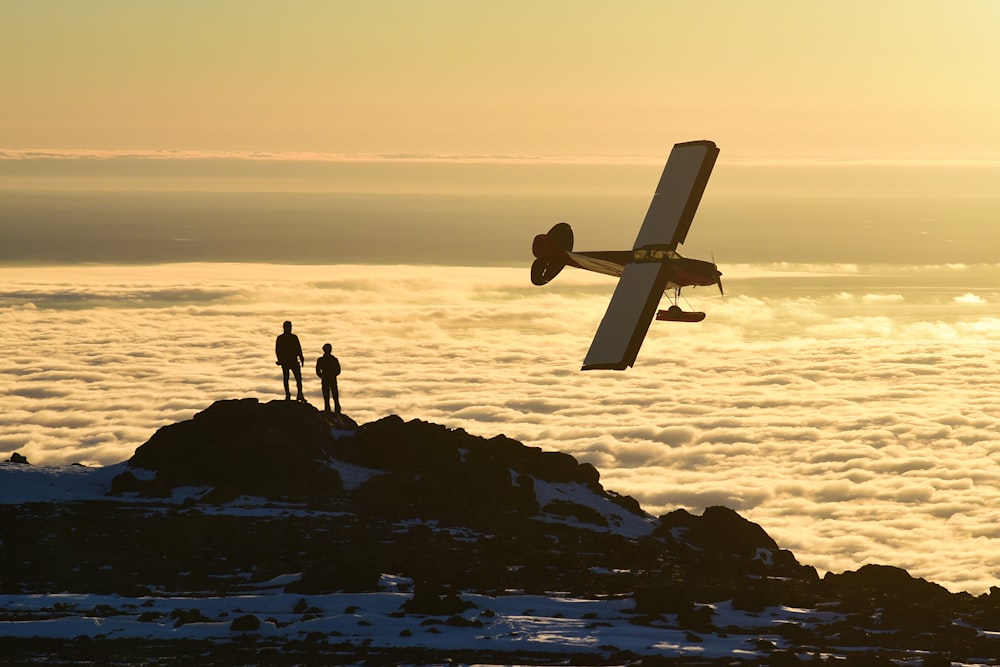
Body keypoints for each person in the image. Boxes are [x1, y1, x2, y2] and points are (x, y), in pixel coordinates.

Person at [275, 321, 305, 401]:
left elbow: (298, 348)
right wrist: (280, 360)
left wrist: (301, 357)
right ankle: (288, 394)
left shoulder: (293, 337)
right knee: (286, 378)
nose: (289, 328)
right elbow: (278, 350)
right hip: (286, 362)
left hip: (293, 361)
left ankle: (299, 394)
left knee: (298, 378)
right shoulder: (281, 338)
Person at [315, 343, 342, 413]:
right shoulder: (328, 359)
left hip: (329, 379)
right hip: (328, 379)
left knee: (333, 395)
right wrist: (324, 376)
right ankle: (329, 408)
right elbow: (318, 371)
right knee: (328, 395)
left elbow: (338, 370)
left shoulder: (331, 359)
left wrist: (325, 375)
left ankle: (335, 408)